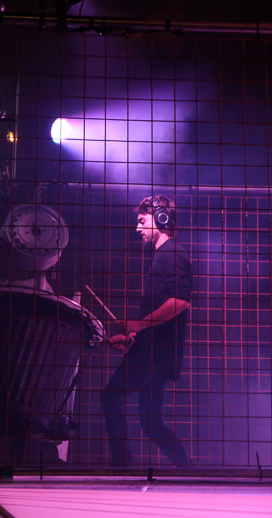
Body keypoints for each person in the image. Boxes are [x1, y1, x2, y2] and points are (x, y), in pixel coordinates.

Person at [102, 195, 192, 466]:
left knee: (111, 397)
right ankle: (188, 471)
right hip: (156, 352)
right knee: (151, 422)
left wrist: (139, 325)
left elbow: (180, 302)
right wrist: (133, 337)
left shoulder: (172, 254)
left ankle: (121, 469)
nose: (137, 227)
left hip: (154, 354)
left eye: (142, 221)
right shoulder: (164, 256)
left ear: (162, 219)